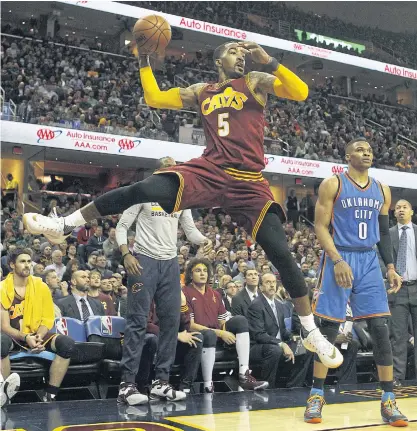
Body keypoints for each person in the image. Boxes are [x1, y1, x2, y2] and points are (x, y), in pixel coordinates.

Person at [24, 41, 342, 370]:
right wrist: (145, 62)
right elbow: (154, 98)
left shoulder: (254, 80)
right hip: (210, 171)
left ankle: (309, 331)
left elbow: (300, 92)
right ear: (218, 59)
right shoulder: (201, 90)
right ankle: (65, 225)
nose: (241, 56)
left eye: (243, 53)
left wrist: (270, 61)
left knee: (282, 254)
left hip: (248, 181)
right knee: (143, 188)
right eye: (233, 51)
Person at [304, 138, 408, 426]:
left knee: (379, 328)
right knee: (328, 328)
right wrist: (337, 260)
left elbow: (384, 232)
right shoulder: (333, 184)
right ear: (348, 155)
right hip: (341, 256)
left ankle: (388, 400)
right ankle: (316, 396)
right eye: (361, 149)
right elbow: (320, 227)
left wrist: (390, 266)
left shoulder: (382, 189)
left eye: (370, 150)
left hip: (369, 259)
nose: (367, 153)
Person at [114, 156, 211, 406]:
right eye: (167, 168)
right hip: (142, 260)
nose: (171, 172)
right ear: (158, 172)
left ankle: (161, 382)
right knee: (137, 321)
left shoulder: (182, 198)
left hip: (170, 263)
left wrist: (205, 240)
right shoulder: (144, 191)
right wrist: (126, 254)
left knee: (171, 322)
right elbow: (122, 226)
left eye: (174, 168)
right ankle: (127, 385)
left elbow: (190, 232)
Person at [183, 258, 268, 393]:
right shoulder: (185, 292)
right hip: (198, 336)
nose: (202, 274)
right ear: (190, 274)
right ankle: (208, 384)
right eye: (198, 271)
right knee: (210, 334)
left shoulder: (215, 294)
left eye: (205, 271)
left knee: (240, 320)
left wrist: (224, 330)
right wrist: (221, 333)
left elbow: (222, 321)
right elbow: (191, 325)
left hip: (216, 334)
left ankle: (244, 374)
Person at [1, 249, 75, 402]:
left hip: (35, 334)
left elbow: (47, 318)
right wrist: (26, 337)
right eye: (22, 261)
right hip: (12, 336)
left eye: (29, 261)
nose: (27, 265)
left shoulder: (40, 287)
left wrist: (39, 337)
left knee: (67, 344)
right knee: (1, 343)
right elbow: (4, 326)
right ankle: (4, 393)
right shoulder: (2, 288)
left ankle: (50, 393)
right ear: (12, 265)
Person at [247, 272, 311, 388]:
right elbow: (259, 335)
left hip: (276, 344)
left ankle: (294, 386)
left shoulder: (279, 304)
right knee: (275, 350)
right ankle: (268, 386)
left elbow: (281, 331)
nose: (272, 285)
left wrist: (292, 337)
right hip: (258, 346)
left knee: (304, 347)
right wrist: (281, 344)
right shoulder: (256, 305)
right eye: (268, 282)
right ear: (261, 287)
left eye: (273, 282)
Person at [388, 199, 417, 386]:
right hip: (398, 289)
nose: (400, 210)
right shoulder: (387, 234)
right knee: (398, 336)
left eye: (404, 207)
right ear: (393, 213)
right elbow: (382, 259)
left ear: (411, 212)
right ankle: (397, 377)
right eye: (397, 208)